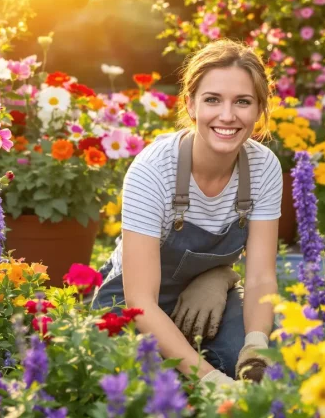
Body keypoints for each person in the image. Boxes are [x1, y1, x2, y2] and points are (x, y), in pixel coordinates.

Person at [91, 39, 283, 387]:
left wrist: (255, 347)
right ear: (190, 105)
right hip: (133, 310)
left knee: (280, 365)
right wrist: (210, 381)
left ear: (259, 109)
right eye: (213, 100)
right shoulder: (154, 169)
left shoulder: (263, 167)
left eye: (243, 101)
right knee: (140, 388)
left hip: (207, 310)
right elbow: (141, 301)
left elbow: (260, 278)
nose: (228, 116)